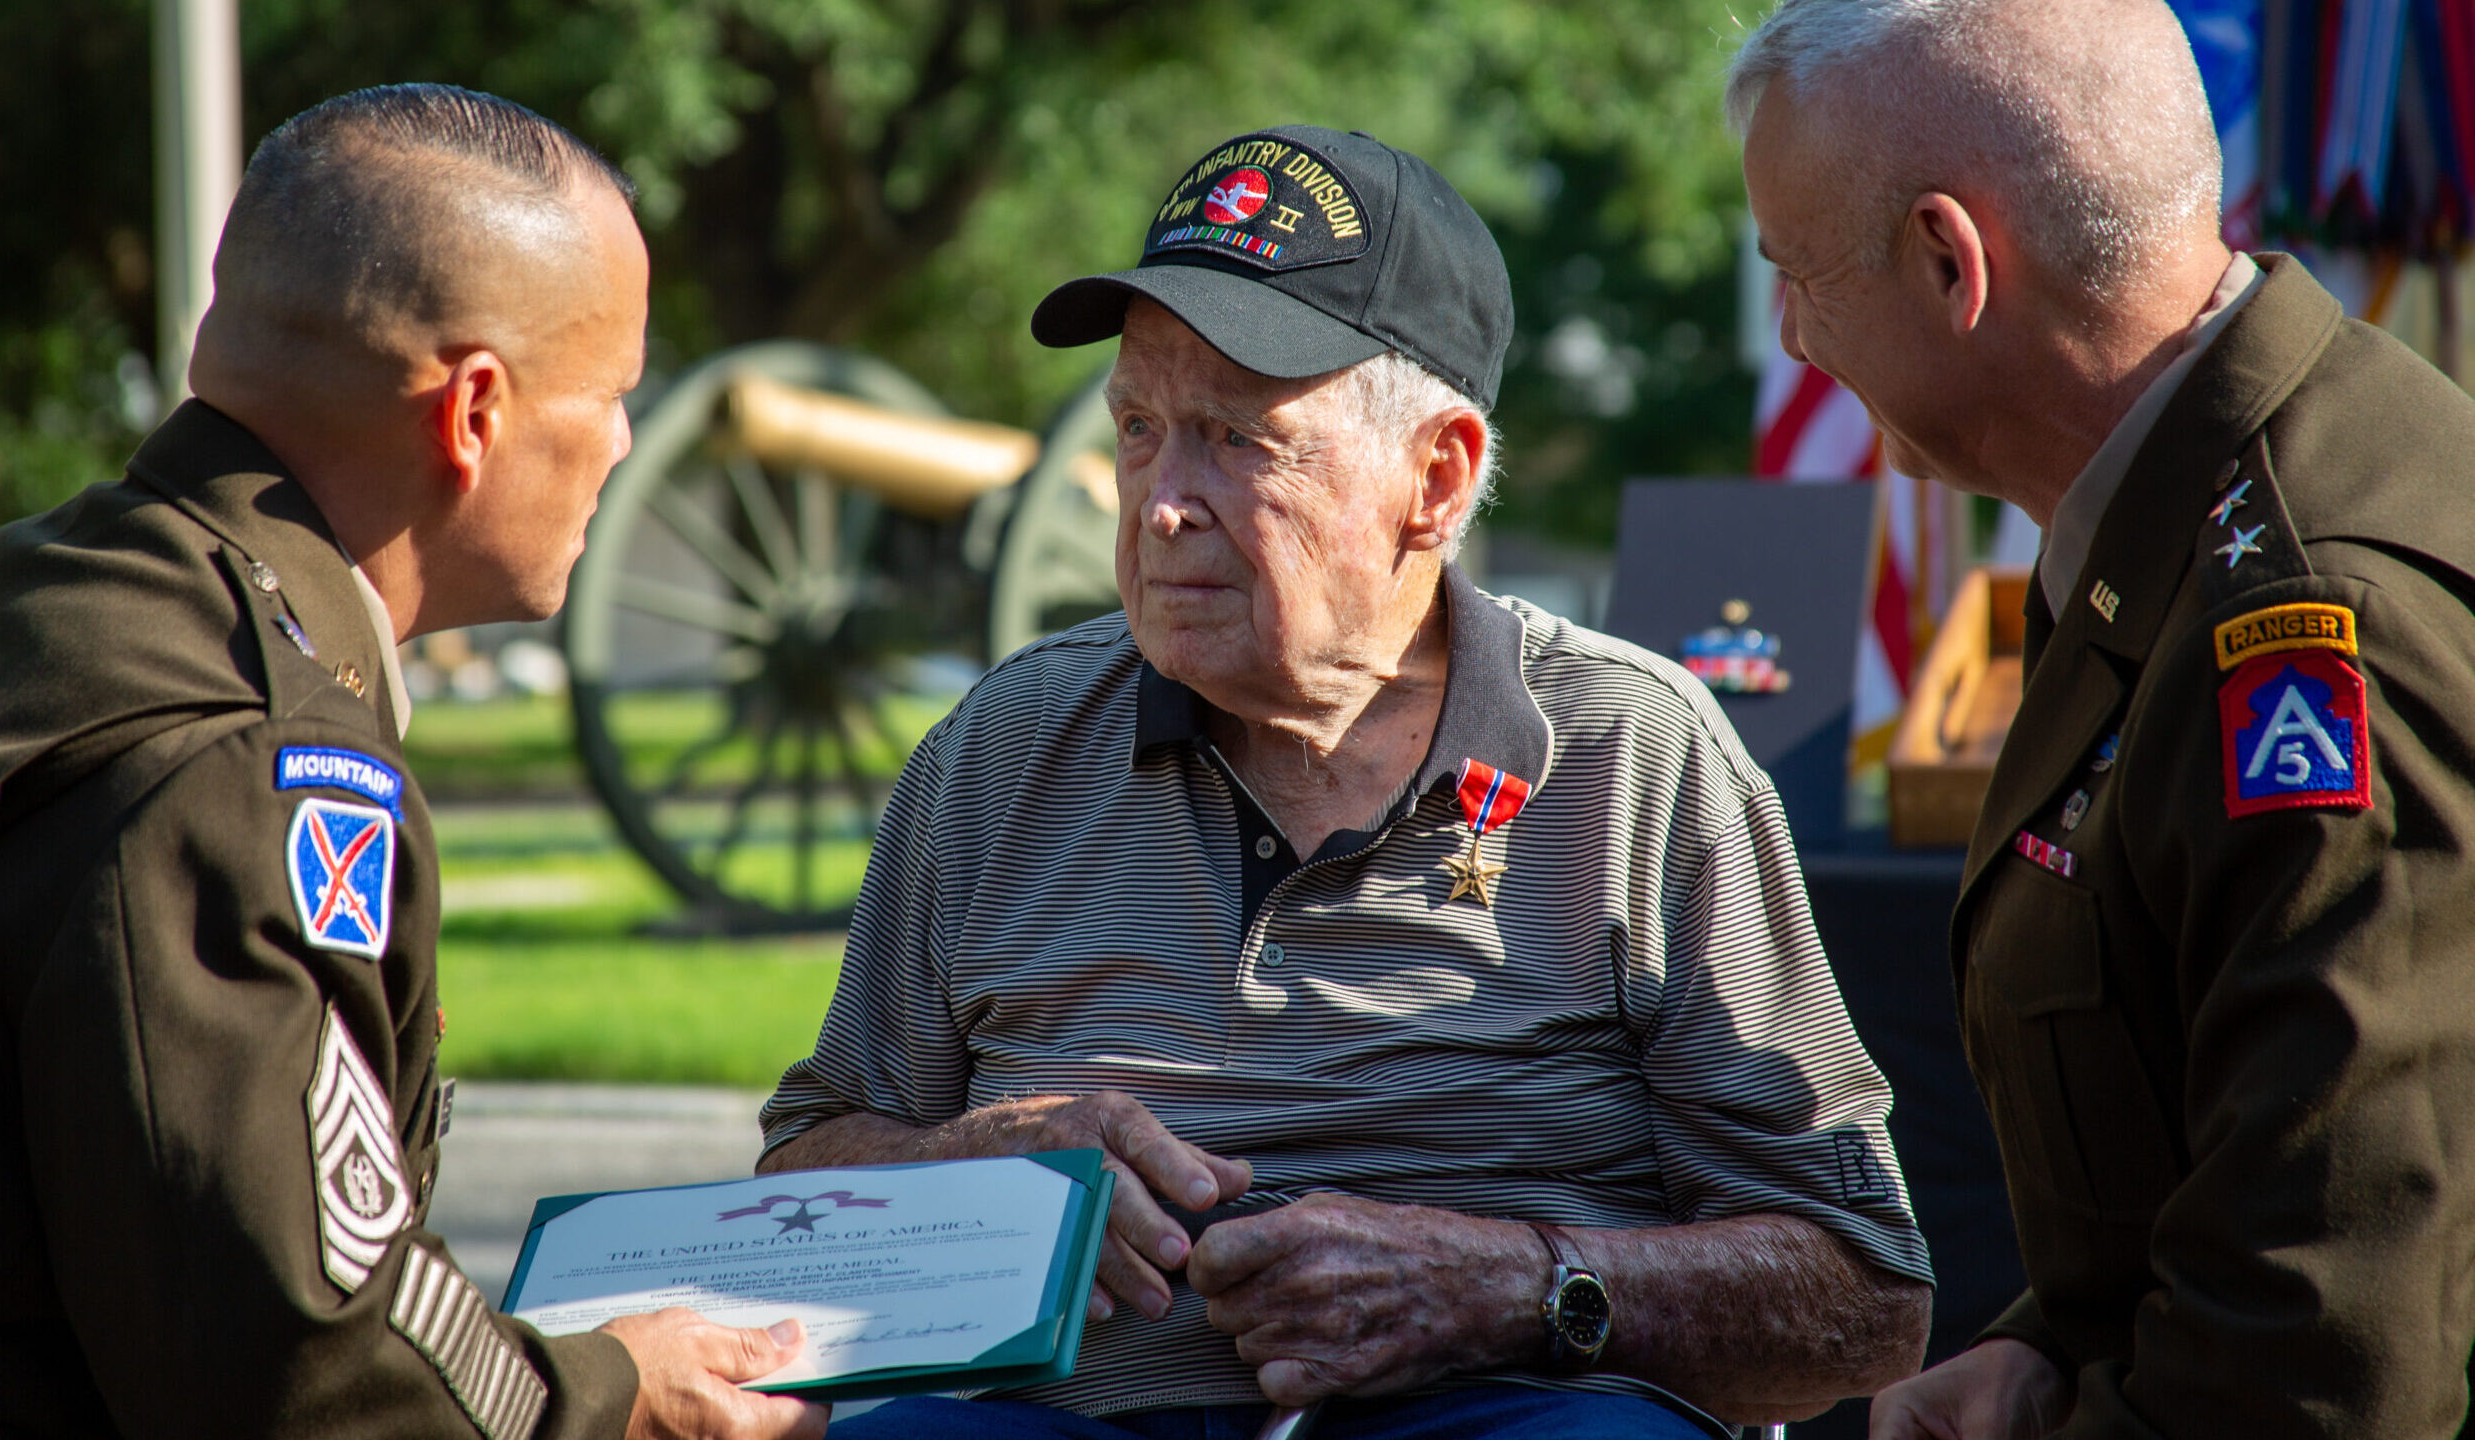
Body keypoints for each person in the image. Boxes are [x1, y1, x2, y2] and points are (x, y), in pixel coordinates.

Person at [756, 124, 1933, 1440]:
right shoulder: (1004, 746)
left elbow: (1864, 1296)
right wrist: (973, 1166)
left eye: (1238, 441)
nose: (1158, 503)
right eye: (1139, 429)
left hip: (1494, 1413)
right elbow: (802, 1183)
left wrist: (1509, 1286)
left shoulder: (1634, 753)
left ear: (1436, 479)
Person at [0, 84, 822, 1440]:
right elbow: (292, 1362)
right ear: (473, 415)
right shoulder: (248, 756)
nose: (625, 444)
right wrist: (619, 1398)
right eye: (614, 395)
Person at [1732, 2, 2475, 1436]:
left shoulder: (2309, 618)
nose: (1794, 336)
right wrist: (2051, 1352)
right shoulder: (2196, 520)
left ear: (1951, 262)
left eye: (1798, 273)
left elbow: (2326, 1359)